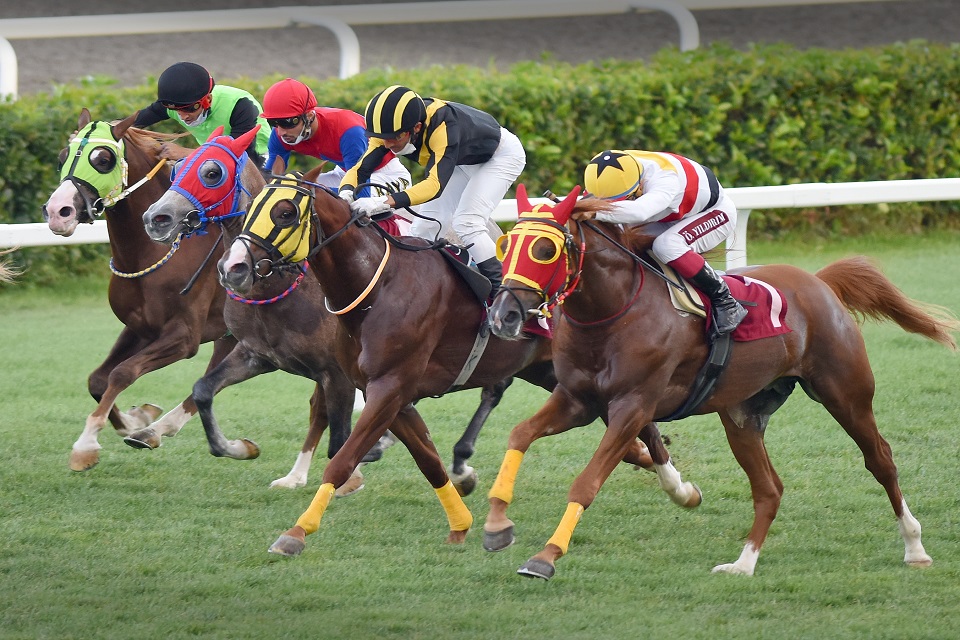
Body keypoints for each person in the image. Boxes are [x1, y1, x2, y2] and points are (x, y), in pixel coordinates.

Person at [340, 85, 527, 295]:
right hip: (463, 159)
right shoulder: (387, 132)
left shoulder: (443, 127)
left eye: (394, 137)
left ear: (416, 128)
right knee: (422, 228)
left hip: (499, 156)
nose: (387, 143)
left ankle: (504, 293)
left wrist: (382, 202)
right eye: (382, 137)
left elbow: (434, 186)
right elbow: (360, 169)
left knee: (467, 223)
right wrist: (345, 192)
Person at [579, 149, 747, 336]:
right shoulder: (612, 172)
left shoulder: (665, 180)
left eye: (624, 198)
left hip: (713, 212)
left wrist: (594, 211)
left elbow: (639, 211)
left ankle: (725, 300)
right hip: (665, 215)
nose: (615, 203)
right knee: (623, 240)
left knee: (667, 246)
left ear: (641, 183)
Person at [260, 78, 411, 205]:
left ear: (310, 116)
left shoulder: (349, 132)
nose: (280, 131)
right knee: (296, 189)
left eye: (288, 122)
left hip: (386, 175)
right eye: (274, 123)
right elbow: (269, 182)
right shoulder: (280, 134)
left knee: (304, 194)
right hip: (346, 172)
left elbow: (361, 194)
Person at [134, 61, 270, 166]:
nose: (183, 116)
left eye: (189, 109)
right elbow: (131, 122)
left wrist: (186, 153)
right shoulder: (173, 105)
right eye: (176, 110)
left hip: (257, 159)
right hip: (210, 158)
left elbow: (239, 155)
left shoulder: (241, 105)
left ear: (208, 100)